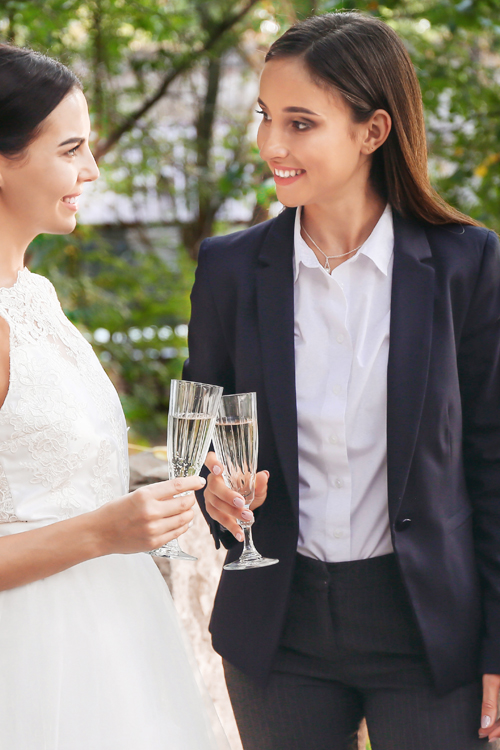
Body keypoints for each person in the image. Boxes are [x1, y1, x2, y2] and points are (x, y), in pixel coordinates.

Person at [183, 10, 500, 750]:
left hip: (428, 632)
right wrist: (216, 491)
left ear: (373, 131)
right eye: (266, 117)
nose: (270, 145)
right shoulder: (230, 268)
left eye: (300, 123)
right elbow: (203, 435)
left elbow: (493, 464)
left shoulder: (467, 265)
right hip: (277, 629)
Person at [0, 44, 228, 750]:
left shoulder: (35, 296)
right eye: (71, 148)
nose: (91, 170)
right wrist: (106, 532)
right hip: (32, 658)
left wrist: (193, 492)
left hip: (118, 635)